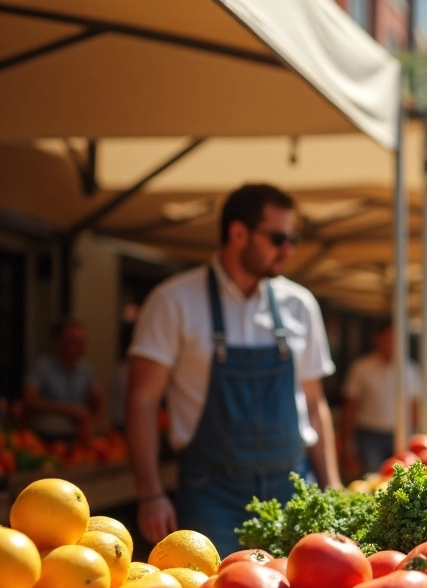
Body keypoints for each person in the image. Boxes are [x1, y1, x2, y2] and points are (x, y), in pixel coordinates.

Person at [127, 183, 340, 555]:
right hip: (211, 493)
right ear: (237, 233)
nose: (288, 249)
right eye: (278, 237)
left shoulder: (299, 304)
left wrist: (332, 486)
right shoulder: (173, 301)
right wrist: (150, 492)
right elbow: (142, 400)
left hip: (292, 486)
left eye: (293, 238)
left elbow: (314, 403)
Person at [340, 326, 421, 480]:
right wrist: (347, 444)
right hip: (369, 435)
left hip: (402, 433)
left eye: (394, 340)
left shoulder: (410, 369)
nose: (390, 344)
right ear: (377, 340)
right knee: (372, 479)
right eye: (387, 340)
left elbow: (415, 406)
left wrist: (415, 436)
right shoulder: (361, 368)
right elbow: (350, 406)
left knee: (402, 480)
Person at [23, 318, 104, 443]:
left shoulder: (86, 369)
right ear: (59, 342)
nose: (82, 348)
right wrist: (68, 409)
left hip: (78, 436)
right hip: (45, 436)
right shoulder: (42, 366)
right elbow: (29, 399)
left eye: (83, 342)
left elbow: (98, 399)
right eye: (75, 342)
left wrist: (94, 418)